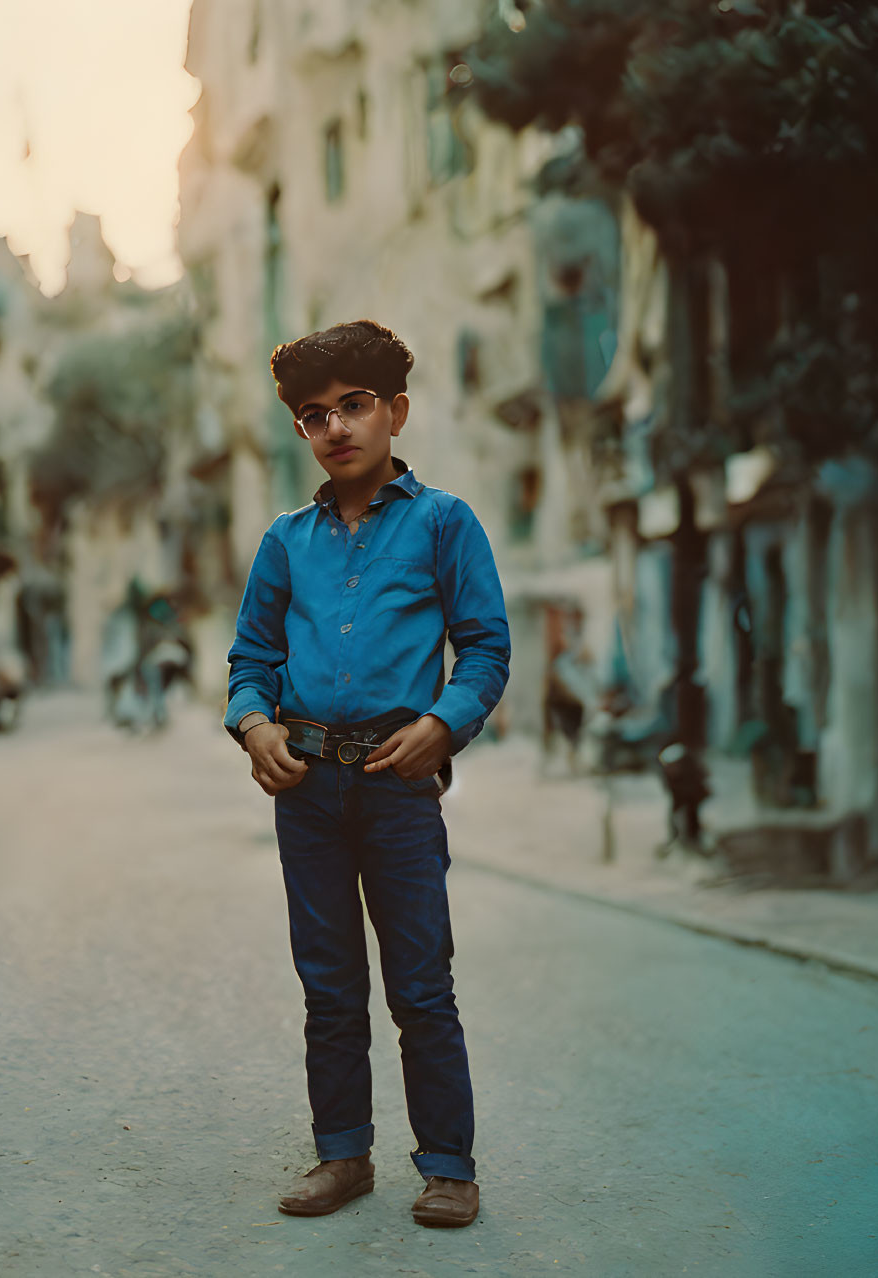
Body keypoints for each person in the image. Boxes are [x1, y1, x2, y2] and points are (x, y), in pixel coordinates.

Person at [224, 321, 510, 1230]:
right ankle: (342, 1155)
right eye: (315, 415)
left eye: (354, 405)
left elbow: (486, 651)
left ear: (394, 411)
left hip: (397, 784)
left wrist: (442, 725)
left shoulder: (442, 523)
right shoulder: (284, 541)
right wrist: (254, 723)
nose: (337, 427)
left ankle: (448, 1167)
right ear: (300, 432)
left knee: (421, 984)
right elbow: (249, 659)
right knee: (329, 986)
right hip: (305, 789)